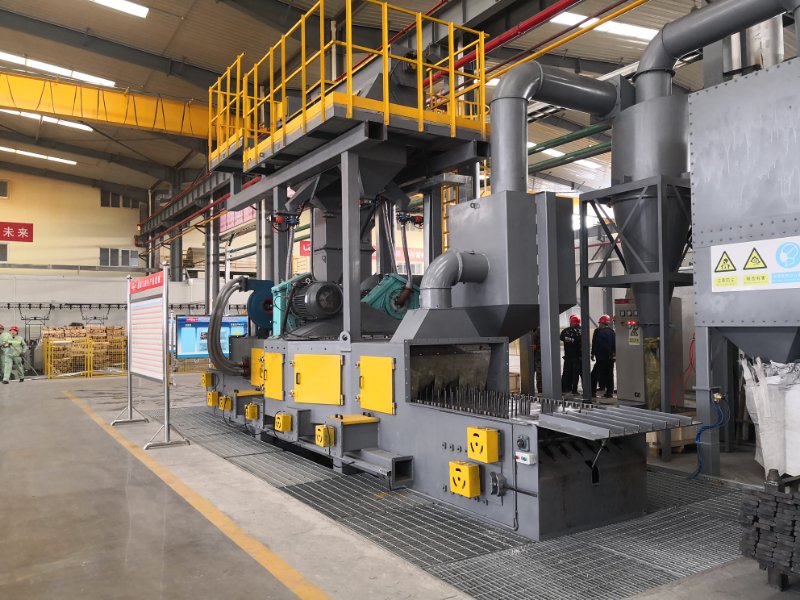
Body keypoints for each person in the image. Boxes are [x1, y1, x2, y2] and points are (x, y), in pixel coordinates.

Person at [591, 314, 616, 398]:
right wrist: (612, 354)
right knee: (609, 374)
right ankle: (609, 392)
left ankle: (592, 392)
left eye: (600, 323)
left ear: (602, 323)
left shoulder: (600, 333)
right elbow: (614, 344)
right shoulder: (612, 332)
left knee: (594, 375)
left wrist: (593, 353)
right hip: (610, 358)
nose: (599, 324)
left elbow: (599, 345)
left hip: (602, 358)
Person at [560, 315, 582, 394]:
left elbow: (561, 337)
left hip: (568, 356)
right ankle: (574, 390)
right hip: (578, 357)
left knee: (566, 373)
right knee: (576, 374)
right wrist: (573, 340)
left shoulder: (566, 331)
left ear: (571, 322)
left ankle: (564, 388)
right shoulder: (582, 331)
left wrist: (570, 339)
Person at [531, 327, 543, 394]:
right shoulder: (536, 330)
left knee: (539, 373)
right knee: (537, 373)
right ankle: (539, 390)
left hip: (537, 355)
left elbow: (534, 346)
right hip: (536, 355)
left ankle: (540, 390)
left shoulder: (537, 331)